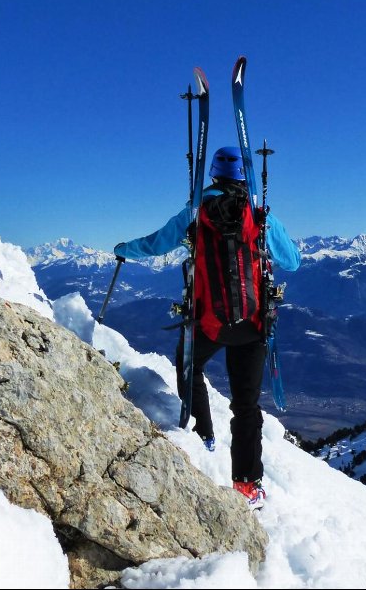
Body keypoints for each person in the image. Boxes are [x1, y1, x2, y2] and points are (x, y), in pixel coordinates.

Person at [114, 145, 301, 509]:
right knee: (246, 405)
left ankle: (203, 436)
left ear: (212, 173)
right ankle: (247, 485)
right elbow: (292, 261)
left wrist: (124, 248)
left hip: (209, 323)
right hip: (252, 323)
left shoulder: (194, 212)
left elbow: (154, 244)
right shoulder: (260, 215)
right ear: (245, 177)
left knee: (189, 363)